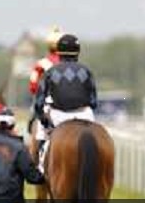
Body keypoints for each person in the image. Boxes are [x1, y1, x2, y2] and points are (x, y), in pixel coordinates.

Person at [34, 33, 98, 170]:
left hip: (58, 116)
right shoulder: (86, 71)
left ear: (58, 52)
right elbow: (93, 102)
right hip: (85, 115)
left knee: (42, 134)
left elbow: (38, 104)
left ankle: (41, 167)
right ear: (78, 52)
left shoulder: (50, 72)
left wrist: (45, 122)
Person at [28, 26, 62, 153]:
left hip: (47, 105)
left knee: (35, 125)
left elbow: (32, 86)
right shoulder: (69, 63)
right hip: (68, 105)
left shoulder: (41, 64)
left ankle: (38, 156)